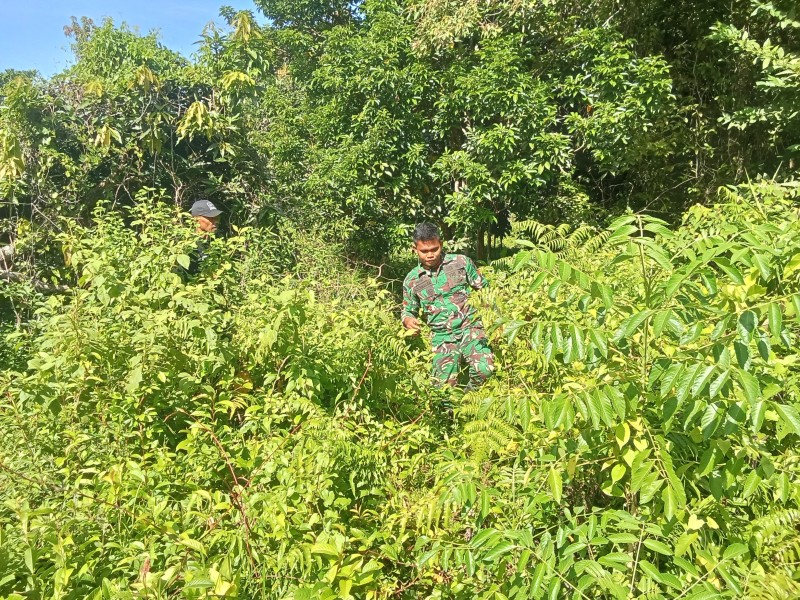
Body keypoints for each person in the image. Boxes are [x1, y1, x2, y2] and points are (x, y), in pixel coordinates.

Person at [401, 222, 494, 389]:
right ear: (415, 249)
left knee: (484, 371)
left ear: (441, 244)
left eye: (434, 249)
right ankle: (451, 413)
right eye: (424, 251)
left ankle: (470, 400)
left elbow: (485, 291)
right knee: (442, 389)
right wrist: (408, 320)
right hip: (442, 336)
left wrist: (493, 319)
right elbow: (408, 310)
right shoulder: (412, 280)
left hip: (470, 327)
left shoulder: (461, 263)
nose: (430, 255)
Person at [186, 199, 222, 276]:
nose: (215, 221)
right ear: (196, 219)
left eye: (216, 217)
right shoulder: (189, 247)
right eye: (210, 217)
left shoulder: (217, 244)